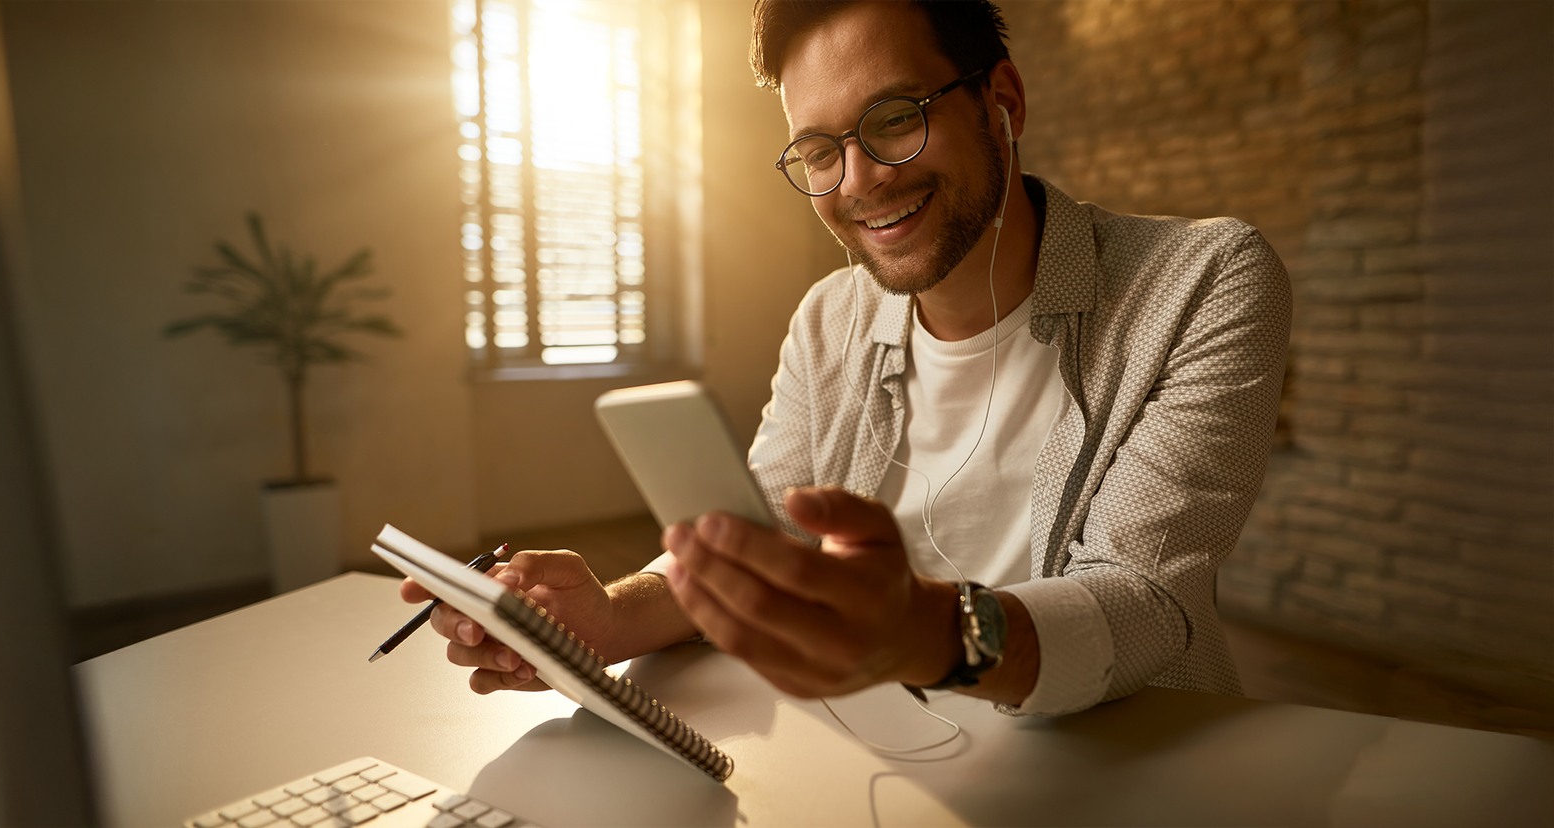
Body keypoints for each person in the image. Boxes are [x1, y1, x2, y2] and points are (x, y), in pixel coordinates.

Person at [400, 0, 1290, 716]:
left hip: (1131, 765)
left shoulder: (1202, 280)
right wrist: (610, 616)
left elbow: (1144, 603)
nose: (860, 180)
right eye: (820, 151)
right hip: (878, 757)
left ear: (1003, 102)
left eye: (894, 119)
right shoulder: (830, 317)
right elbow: (764, 539)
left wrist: (930, 634)